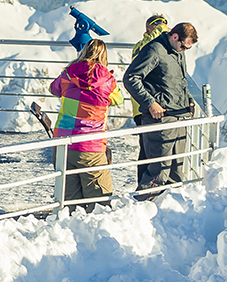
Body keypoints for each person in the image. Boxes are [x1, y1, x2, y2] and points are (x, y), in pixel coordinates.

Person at [124, 22, 199, 195]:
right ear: (174, 37)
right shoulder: (154, 50)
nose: (184, 50)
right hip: (161, 117)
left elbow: (180, 80)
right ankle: (141, 208)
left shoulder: (177, 52)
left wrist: (189, 101)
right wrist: (150, 103)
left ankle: (168, 214)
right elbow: (131, 78)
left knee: (175, 170)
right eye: (183, 46)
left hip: (179, 115)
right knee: (158, 171)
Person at [49, 39, 122, 212]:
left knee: (69, 200)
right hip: (91, 146)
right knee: (99, 200)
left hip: (64, 143)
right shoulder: (107, 81)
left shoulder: (68, 74)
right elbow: (118, 100)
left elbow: (54, 89)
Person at [128, 14, 169, 184]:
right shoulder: (141, 46)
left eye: (164, 25)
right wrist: (159, 32)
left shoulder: (162, 45)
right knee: (147, 149)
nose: (162, 27)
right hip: (143, 106)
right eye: (157, 25)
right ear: (148, 29)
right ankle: (143, 185)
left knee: (154, 149)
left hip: (157, 105)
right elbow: (145, 51)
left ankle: (151, 184)